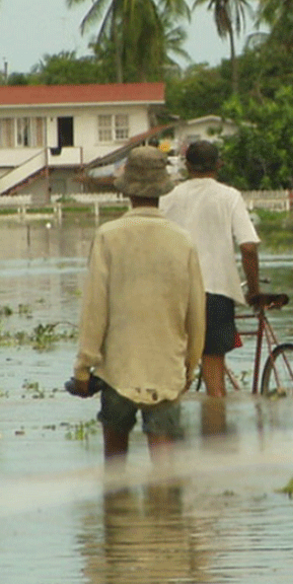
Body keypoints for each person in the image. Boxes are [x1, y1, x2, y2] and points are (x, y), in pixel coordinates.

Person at [68, 146, 205, 467]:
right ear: (162, 190)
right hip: (166, 367)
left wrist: (83, 367)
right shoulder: (181, 240)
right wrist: (190, 364)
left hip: (118, 367)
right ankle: (166, 512)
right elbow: (196, 312)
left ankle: (117, 512)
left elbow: (94, 308)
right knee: (164, 465)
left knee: (115, 462)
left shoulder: (108, 236)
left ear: (127, 191)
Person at [159, 141, 261, 400]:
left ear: (186, 165)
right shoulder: (229, 196)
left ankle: (169, 436)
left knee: (173, 376)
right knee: (215, 384)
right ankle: (217, 433)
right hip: (216, 292)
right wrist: (254, 290)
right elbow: (248, 247)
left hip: (176, 294)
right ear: (219, 165)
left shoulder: (168, 198)